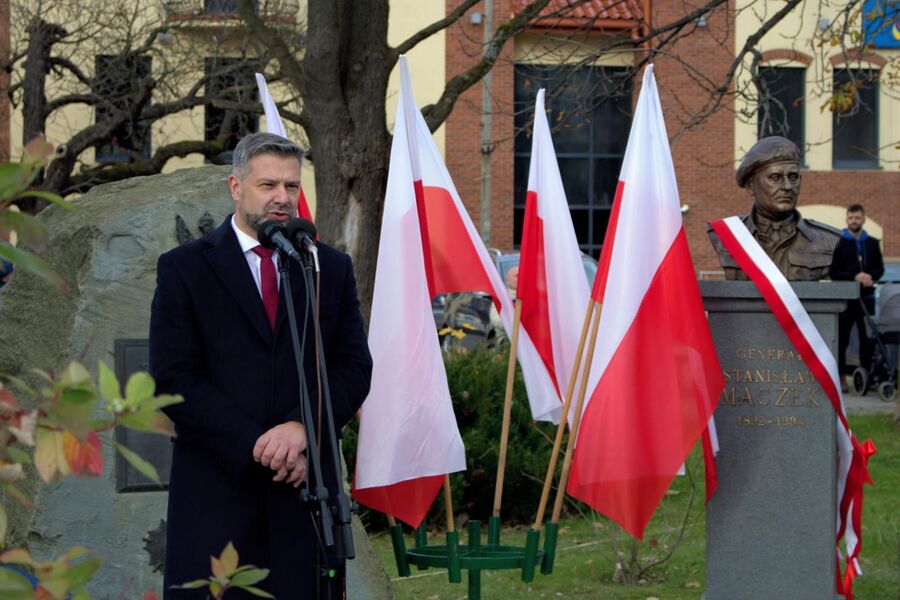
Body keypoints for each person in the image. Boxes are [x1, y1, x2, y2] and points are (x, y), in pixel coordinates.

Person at [149, 132, 372, 598]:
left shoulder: (325, 267)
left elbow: (353, 366)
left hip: (306, 498)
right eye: (268, 185)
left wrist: (300, 430)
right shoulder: (185, 269)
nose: (281, 198)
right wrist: (257, 444)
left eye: (291, 186)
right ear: (235, 187)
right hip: (217, 495)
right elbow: (174, 377)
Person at [708, 136, 840, 281]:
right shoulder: (726, 235)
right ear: (751, 186)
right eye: (775, 178)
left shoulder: (830, 241)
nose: (787, 186)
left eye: (793, 177)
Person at [830, 203, 884, 381]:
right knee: (842, 339)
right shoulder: (839, 242)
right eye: (851, 218)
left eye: (857, 218)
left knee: (866, 339)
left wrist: (870, 276)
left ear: (863, 219)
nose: (854, 221)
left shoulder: (873, 243)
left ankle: (865, 376)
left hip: (866, 298)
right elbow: (833, 272)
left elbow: (880, 269)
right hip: (846, 299)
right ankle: (841, 376)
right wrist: (855, 276)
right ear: (846, 219)